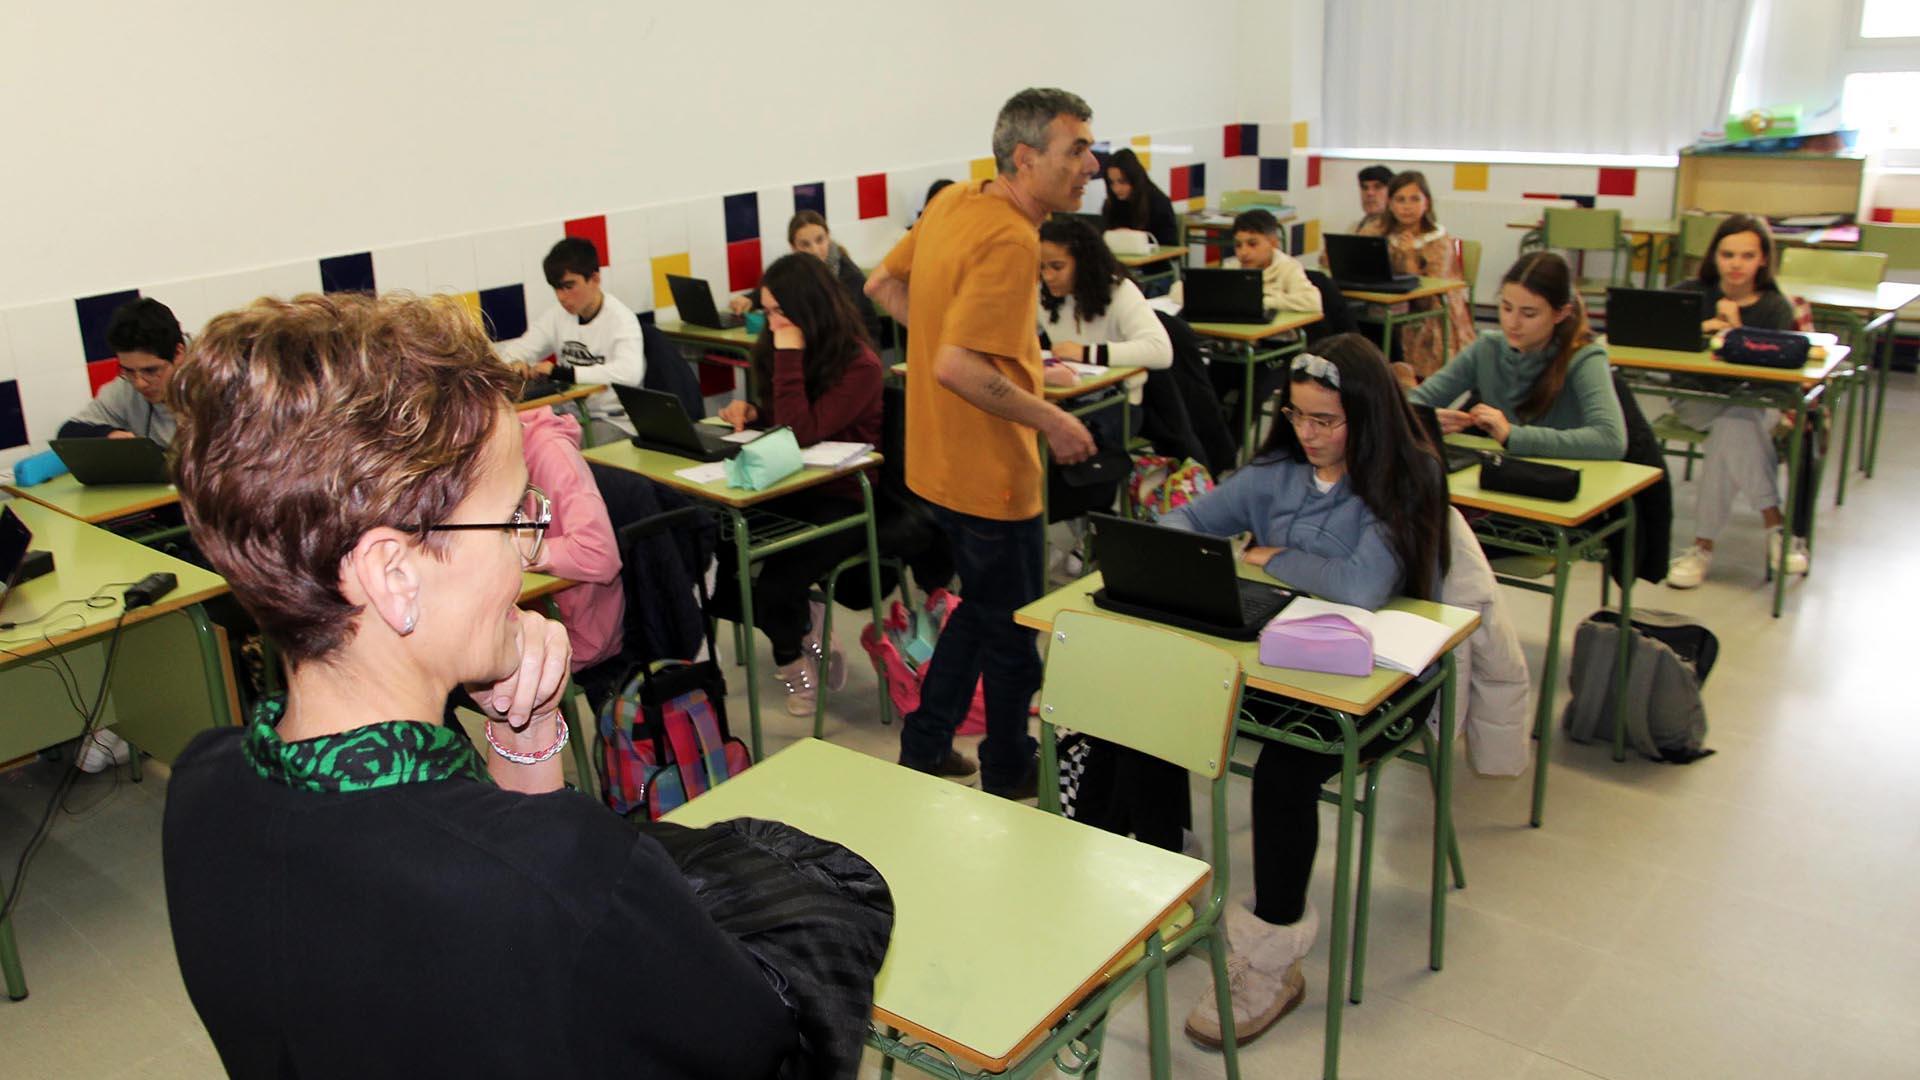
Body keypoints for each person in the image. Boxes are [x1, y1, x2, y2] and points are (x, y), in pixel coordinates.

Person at [161, 292, 853, 1077]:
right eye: (512, 520)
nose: (527, 553)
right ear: (393, 575)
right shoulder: (560, 868)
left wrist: (524, 745)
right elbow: (762, 1037)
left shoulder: (200, 785)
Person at [1161, 335, 1451, 1048]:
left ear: (1369, 416)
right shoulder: (1277, 471)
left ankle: (1271, 958)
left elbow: (1360, 584)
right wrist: (1191, 549)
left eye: (1327, 421)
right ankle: (1158, 876)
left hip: (1379, 684)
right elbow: (1188, 523)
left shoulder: (1407, 477)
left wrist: (1270, 557)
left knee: (1286, 773)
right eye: (1297, 416)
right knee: (1151, 710)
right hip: (1284, 664)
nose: (1309, 434)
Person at [866, 87, 1100, 796]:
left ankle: (928, 744)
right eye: (1076, 150)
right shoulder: (1009, 236)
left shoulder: (956, 201)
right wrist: (1054, 420)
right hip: (992, 473)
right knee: (1011, 633)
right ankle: (1005, 768)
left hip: (938, 462)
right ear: (1026, 159)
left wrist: (952, 344)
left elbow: (883, 285)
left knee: (986, 609)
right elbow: (957, 365)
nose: (1090, 165)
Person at [712, 253, 885, 716]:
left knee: (772, 587)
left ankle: (792, 662)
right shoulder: (776, 346)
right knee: (720, 562)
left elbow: (800, 432)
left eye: (778, 312)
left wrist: (789, 352)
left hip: (844, 498)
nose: (770, 323)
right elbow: (781, 420)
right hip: (786, 488)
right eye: (766, 311)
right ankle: (805, 624)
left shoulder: (860, 364)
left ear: (808, 308)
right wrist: (749, 413)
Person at [1664, 213, 1806, 588]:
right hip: (1695, 397)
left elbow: (1771, 371)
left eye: (1746, 255)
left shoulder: (1776, 307)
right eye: (1728, 255)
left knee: (1734, 424)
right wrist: (1703, 328)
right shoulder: (1689, 293)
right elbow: (1651, 336)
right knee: (1734, 424)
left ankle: (1701, 549)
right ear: (1715, 257)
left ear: (1762, 260)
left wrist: (1738, 330)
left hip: (1758, 401)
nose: (1736, 264)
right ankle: (1777, 530)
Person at [1409, 252, 1627, 459]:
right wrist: (1425, 420)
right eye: (1506, 308)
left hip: (1568, 482)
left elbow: (1611, 440)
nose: (1512, 323)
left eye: (1529, 313)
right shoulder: (1487, 348)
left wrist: (1513, 435)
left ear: (1561, 314)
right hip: (1509, 475)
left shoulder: (1585, 358)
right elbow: (1411, 403)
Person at [518, 404, 625, 707]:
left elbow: (600, 553)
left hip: (576, 626)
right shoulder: (482, 455)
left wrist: (527, 552)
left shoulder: (551, 454)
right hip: (532, 614)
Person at [494, 237, 645, 435]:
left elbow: (629, 374)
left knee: (555, 449)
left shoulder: (622, 320)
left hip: (615, 421)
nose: (561, 297)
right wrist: (515, 363)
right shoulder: (557, 316)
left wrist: (564, 373)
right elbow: (519, 349)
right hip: (571, 416)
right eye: (556, 288)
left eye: (569, 286)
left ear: (595, 279)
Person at [1356, 170, 1476, 378]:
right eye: (1400, 200)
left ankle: (1401, 375)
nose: (1407, 206)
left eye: (1414, 199)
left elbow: (1427, 294)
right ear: (1390, 204)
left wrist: (1410, 256)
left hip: (1429, 308)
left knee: (1399, 323)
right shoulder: (1377, 230)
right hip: (1386, 302)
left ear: (1426, 203)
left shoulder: (1437, 239)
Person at [1037, 216, 1173, 390]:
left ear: (1084, 263)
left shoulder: (1119, 291)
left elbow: (1161, 351)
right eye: (1042, 267)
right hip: (1069, 393)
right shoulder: (1042, 293)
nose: (1048, 276)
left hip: (1116, 398)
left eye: (1057, 267)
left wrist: (1086, 353)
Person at [729, 210, 885, 345]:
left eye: (820, 240)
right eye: (805, 244)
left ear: (828, 237)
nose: (815, 250)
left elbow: (863, 329)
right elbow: (775, 290)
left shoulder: (848, 276)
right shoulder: (793, 271)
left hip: (850, 349)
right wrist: (749, 299)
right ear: (793, 247)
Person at [58, 297, 184, 446]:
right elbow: (68, 434)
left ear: (178, 353)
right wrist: (109, 435)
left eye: (150, 370)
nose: (139, 383)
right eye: (129, 371)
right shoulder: (125, 388)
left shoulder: (213, 378)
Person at [1100, 147, 1179, 246]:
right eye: (1112, 183)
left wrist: (1135, 238)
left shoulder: (1158, 202)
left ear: (1134, 179)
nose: (1116, 189)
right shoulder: (1111, 203)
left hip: (1153, 260)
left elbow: (1170, 244)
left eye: (1122, 181)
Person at [1353, 163, 1392, 231]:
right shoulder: (1353, 228)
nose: (1370, 193)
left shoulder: (1401, 230)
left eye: (1377, 187)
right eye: (1365, 188)